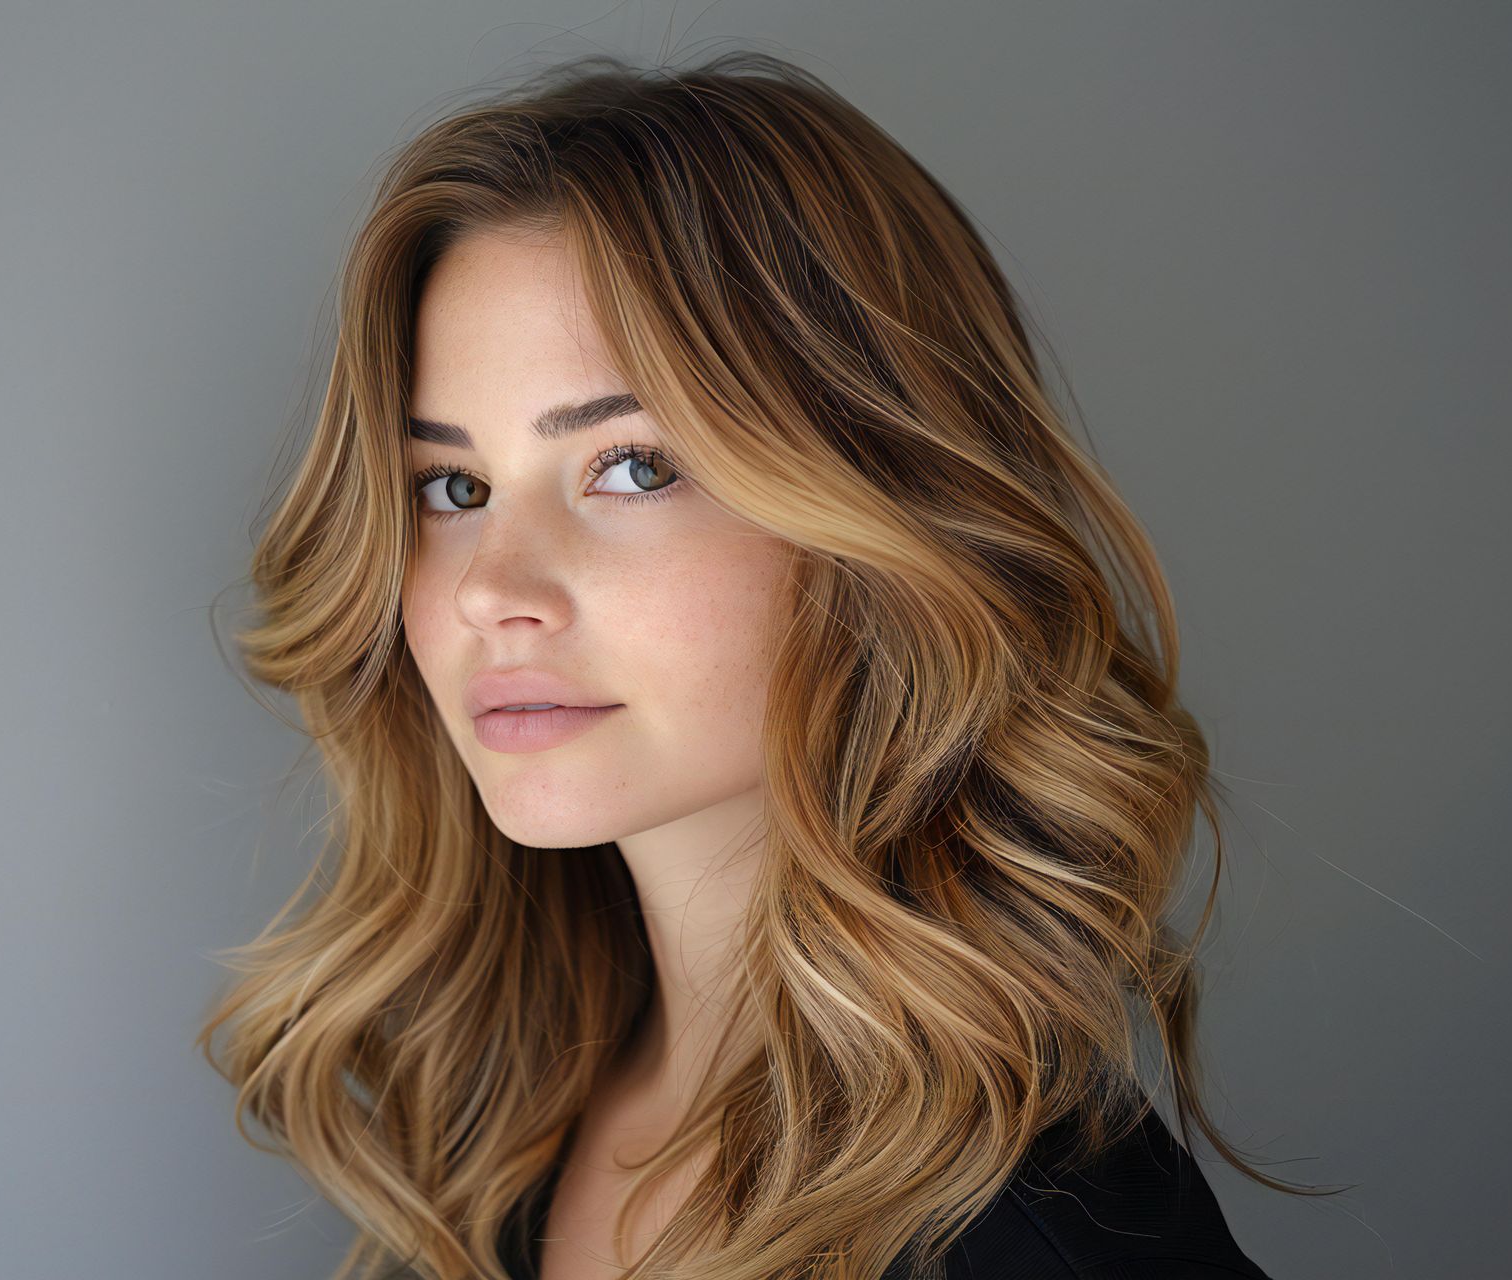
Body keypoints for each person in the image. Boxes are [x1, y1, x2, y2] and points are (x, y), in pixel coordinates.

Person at [198, 49, 1331, 1280]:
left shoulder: (1039, 1235)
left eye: (633, 466)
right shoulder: (500, 1130)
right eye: (454, 486)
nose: (490, 590)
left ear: (877, 513)